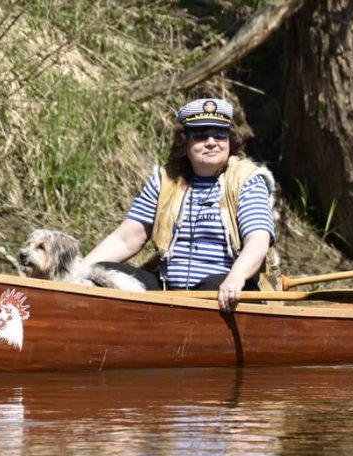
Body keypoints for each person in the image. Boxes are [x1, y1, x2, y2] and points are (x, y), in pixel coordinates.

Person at [84, 98, 276, 311]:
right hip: (166, 288)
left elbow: (258, 241)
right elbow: (126, 239)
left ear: (229, 139)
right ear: (184, 142)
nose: (211, 142)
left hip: (223, 290)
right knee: (101, 271)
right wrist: (78, 271)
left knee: (211, 287)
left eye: (220, 134)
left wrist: (235, 278)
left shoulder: (247, 179)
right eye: (201, 135)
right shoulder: (165, 180)